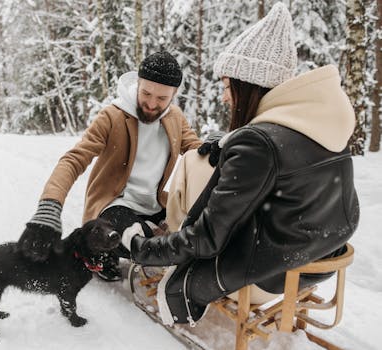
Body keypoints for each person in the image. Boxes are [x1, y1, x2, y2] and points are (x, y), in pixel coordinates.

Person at [121, 2, 360, 326]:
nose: (224, 98)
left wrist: (139, 248)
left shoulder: (257, 143)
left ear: (245, 86)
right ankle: (172, 234)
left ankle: (167, 240)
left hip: (269, 274)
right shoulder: (317, 121)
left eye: (226, 87)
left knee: (193, 162)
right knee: (204, 159)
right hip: (320, 260)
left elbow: (206, 240)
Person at [18, 51, 203, 281]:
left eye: (162, 98)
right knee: (136, 239)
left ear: (173, 95)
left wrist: (216, 149)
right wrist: (50, 205)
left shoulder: (175, 118)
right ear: (138, 84)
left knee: (192, 231)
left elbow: (197, 151)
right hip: (115, 205)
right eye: (146, 93)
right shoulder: (112, 116)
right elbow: (74, 159)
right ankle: (106, 250)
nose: (152, 103)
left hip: (154, 205)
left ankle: (150, 242)